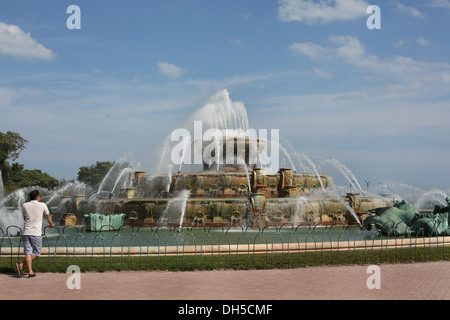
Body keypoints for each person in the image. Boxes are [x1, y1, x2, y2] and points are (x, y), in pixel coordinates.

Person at [15, 190, 54, 278]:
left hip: (26, 232)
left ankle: (30, 271)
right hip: (36, 233)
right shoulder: (42, 205)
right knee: (36, 253)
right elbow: (48, 216)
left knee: (28, 252)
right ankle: (22, 265)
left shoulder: (25, 205)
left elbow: (25, 218)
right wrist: (51, 224)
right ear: (37, 197)